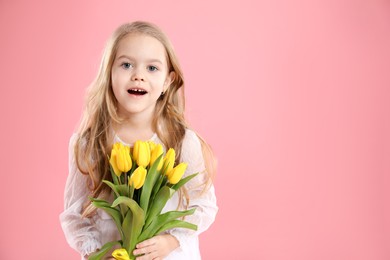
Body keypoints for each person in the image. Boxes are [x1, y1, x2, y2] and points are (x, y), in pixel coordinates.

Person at [59, 21, 218, 260]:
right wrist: (97, 252)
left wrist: (172, 240)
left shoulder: (181, 140)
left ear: (168, 81)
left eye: (152, 68)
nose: (138, 76)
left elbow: (204, 206)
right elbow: (74, 214)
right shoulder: (90, 143)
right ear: (109, 73)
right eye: (126, 65)